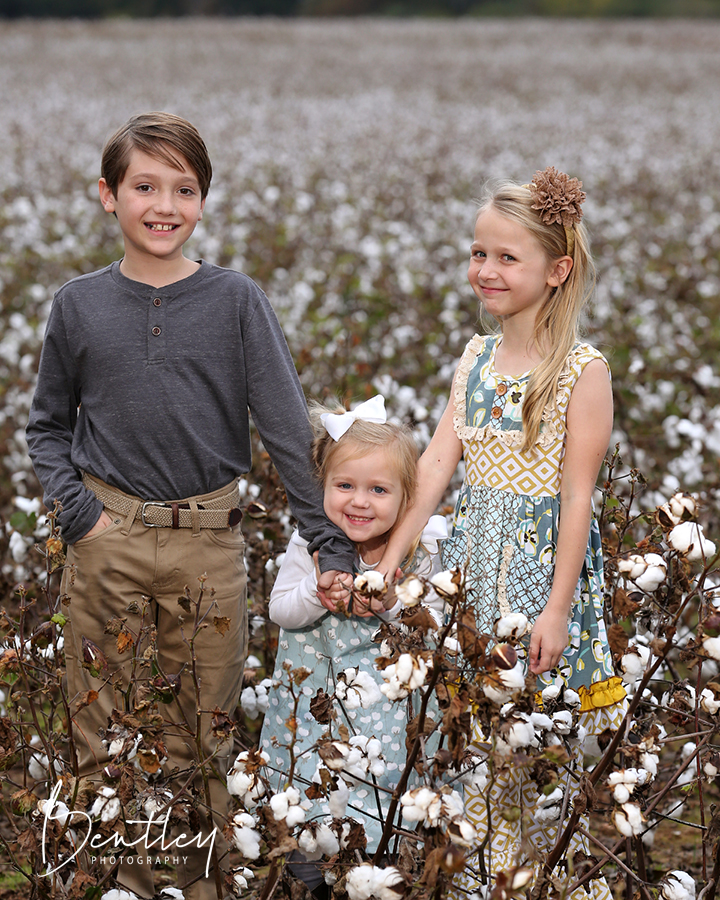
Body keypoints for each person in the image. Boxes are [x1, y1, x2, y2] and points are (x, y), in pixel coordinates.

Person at [25, 112, 354, 900]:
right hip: (108, 540)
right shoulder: (78, 305)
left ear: (202, 202)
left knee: (203, 735)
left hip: (210, 544)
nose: (163, 204)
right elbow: (45, 426)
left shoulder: (238, 301)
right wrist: (82, 517)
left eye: (184, 188)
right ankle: (126, 887)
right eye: (145, 186)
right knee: (103, 732)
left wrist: (331, 542)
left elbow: (284, 428)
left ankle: (199, 887)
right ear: (108, 196)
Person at [378, 168, 626, 897]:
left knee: (519, 751)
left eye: (506, 257)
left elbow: (578, 496)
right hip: (473, 573)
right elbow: (434, 465)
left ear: (557, 270)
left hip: (538, 582)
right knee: (473, 744)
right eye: (478, 252)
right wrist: (391, 560)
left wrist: (555, 609)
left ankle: (525, 879)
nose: (484, 270)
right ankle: (485, 876)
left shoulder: (583, 370)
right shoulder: (474, 358)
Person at [258, 395, 447, 894]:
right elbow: (280, 609)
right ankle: (310, 879)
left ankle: (372, 870)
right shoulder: (309, 545)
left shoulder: (415, 552)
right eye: (344, 486)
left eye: (378, 490)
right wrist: (316, 592)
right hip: (311, 717)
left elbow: (427, 625)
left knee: (377, 812)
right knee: (306, 812)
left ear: (407, 500)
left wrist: (387, 600)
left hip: (381, 728)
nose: (359, 502)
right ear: (321, 487)